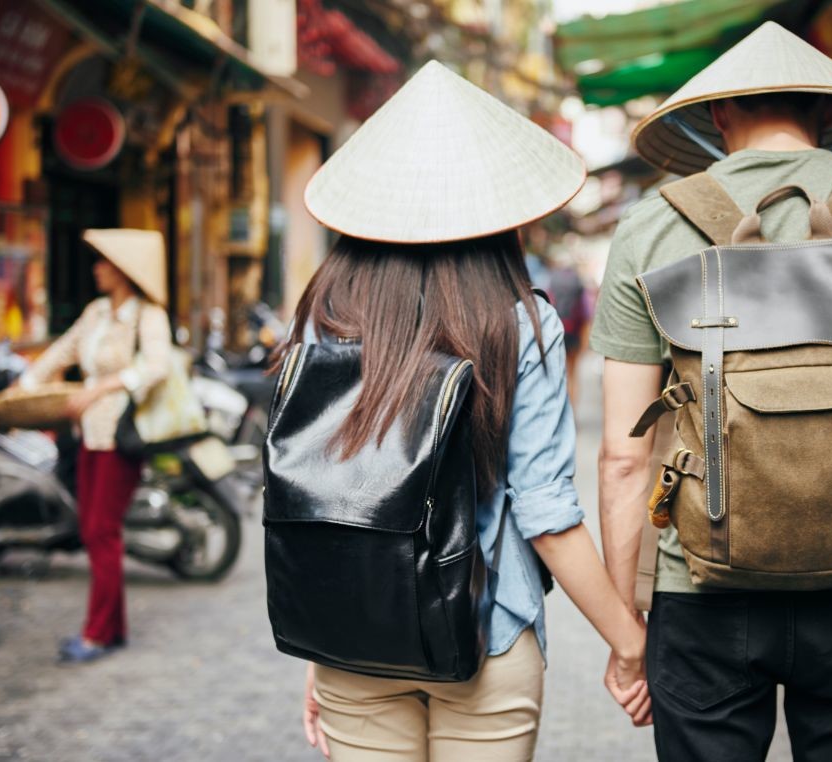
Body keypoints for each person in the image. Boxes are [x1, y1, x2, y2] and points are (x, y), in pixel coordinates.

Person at [590, 22, 832, 761]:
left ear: (717, 115)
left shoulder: (651, 228)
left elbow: (623, 456)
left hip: (698, 589)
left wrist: (627, 633)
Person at [284, 61, 649, 761]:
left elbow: (329, 499)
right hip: (489, 633)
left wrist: (320, 647)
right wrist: (630, 643)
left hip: (354, 635)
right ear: (499, 208)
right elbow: (545, 511)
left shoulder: (325, 317)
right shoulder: (519, 324)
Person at [18, 229, 172, 663]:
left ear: (123, 271)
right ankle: (114, 628)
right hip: (88, 434)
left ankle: (98, 634)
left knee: (101, 533)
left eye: (103, 262)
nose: (96, 268)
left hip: (121, 437)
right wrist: (24, 385)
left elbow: (157, 366)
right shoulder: (97, 313)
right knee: (94, 531)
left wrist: (101, 387)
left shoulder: (148, 315)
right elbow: (61, 352)